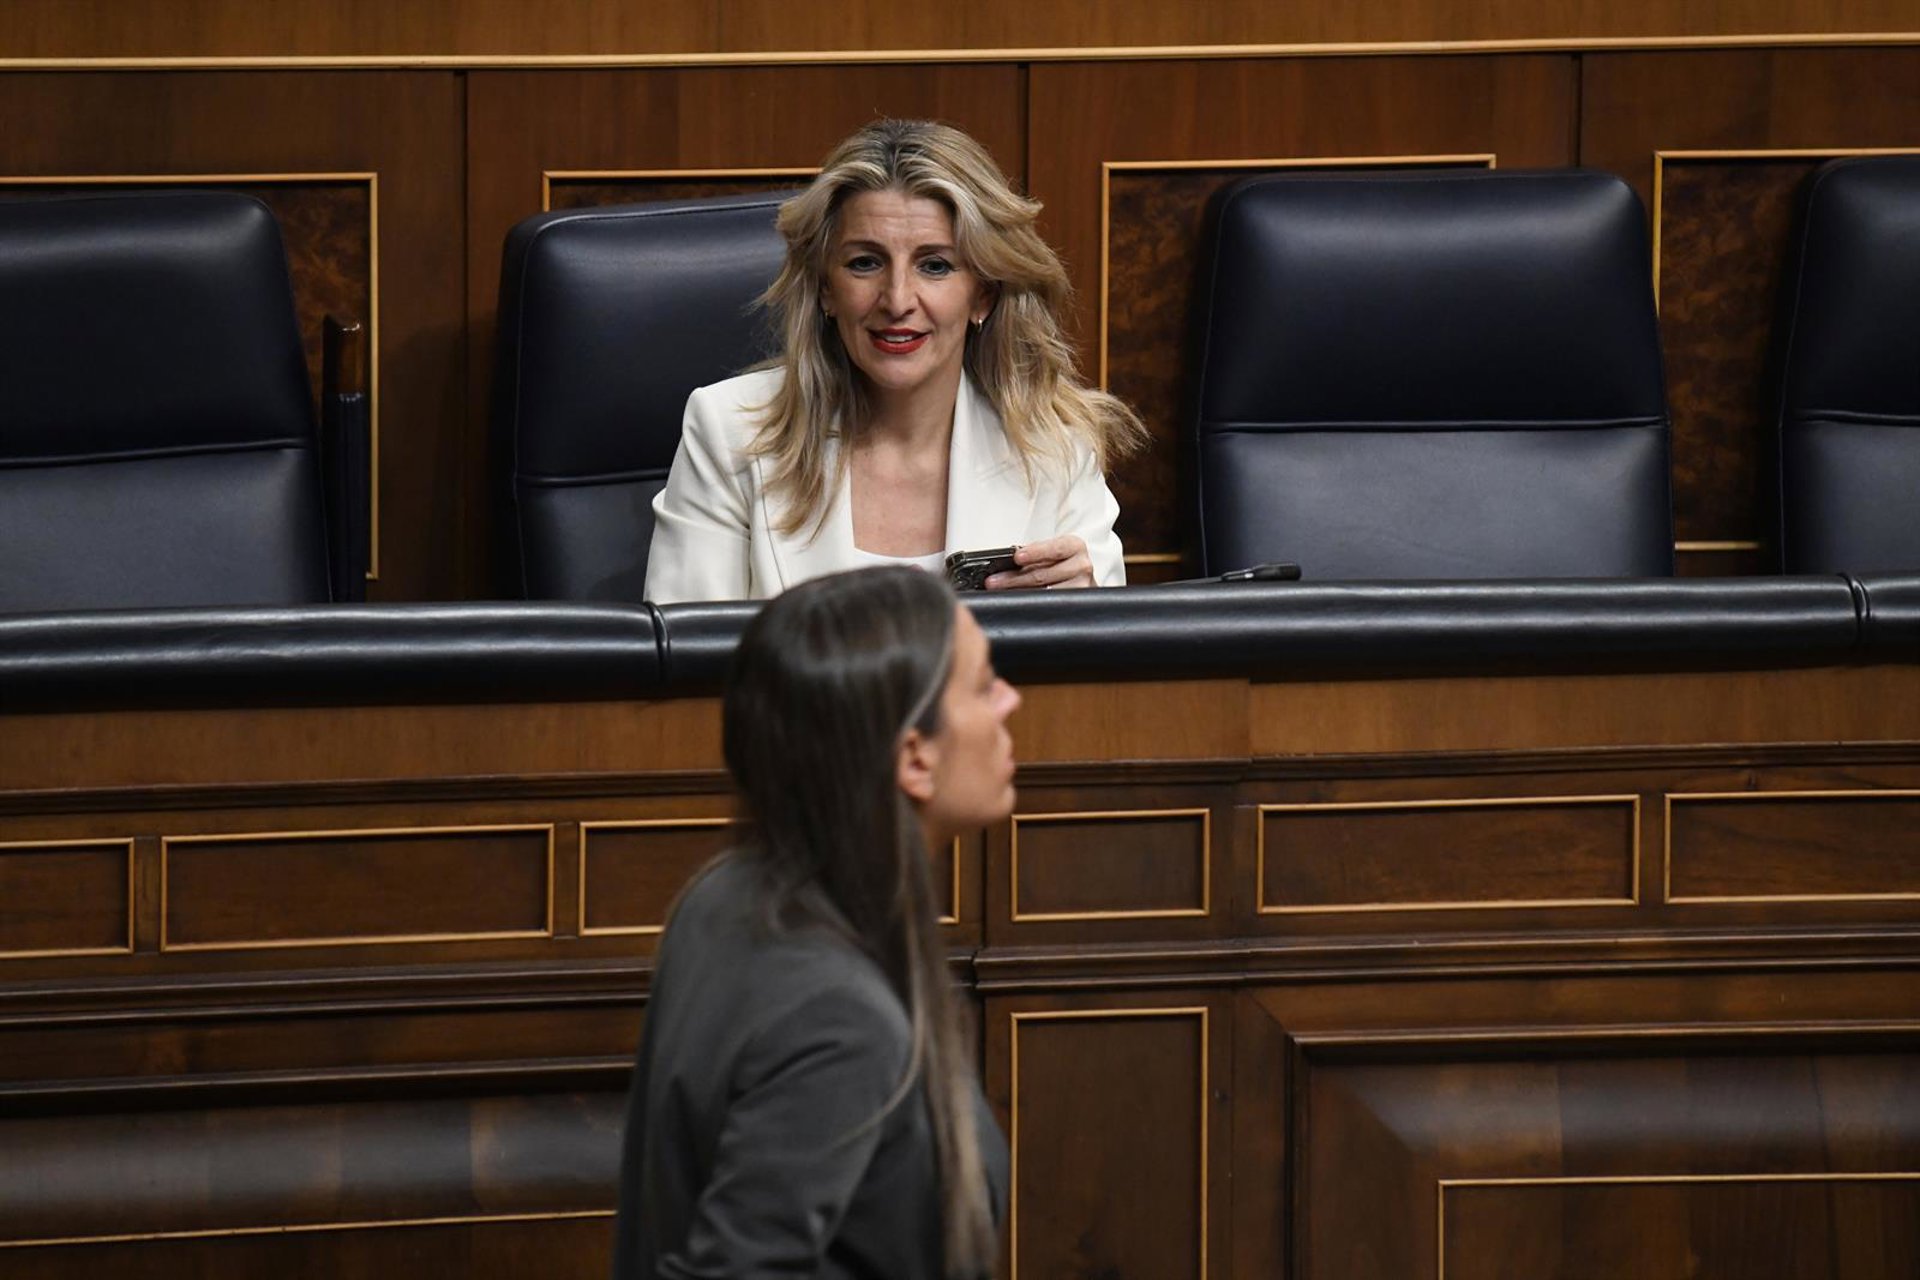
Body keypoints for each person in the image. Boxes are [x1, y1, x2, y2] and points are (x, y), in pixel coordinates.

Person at [612, 566, 1018, 1278]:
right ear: (914, 758)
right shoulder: (838, 1015)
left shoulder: (724, 895)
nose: (1012, 700)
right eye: (985, 686)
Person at [643, 118, 1146, 603]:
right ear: (825, 288)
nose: (898, 300)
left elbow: (1111, 658)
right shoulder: (730, 432)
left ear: (983, 294)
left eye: (935, 266)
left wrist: (1083, 615)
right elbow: (691, 652)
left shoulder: (1056, 447)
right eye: (865, 263)